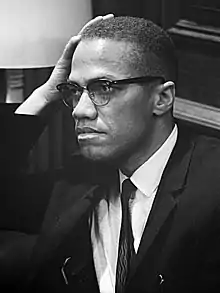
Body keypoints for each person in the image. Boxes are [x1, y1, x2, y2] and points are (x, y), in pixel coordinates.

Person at [3, 15, 220, 293]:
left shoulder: (212, 186)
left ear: (162, 99)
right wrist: (43, 96)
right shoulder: (74, 181)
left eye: (103, 87)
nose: (79, 110)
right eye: (73, 90)